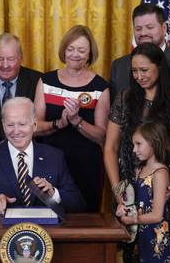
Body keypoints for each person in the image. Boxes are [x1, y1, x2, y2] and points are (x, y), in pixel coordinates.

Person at [104, 42, 170, 262]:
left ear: (159, 67)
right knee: (129, 252)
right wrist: (118, 190)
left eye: (144, 70)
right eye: (134, 71)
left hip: (164, 192)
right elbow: (110, 148)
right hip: (128, 192)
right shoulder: (124, 98)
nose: (139, 76)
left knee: (162, 251)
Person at [0, 97, 86, 215]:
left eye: (22, 124)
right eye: (10, 125)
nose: (16, 131)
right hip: (3, 236)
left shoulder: (54, 156)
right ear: (3, 125)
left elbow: (78, 204)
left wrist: (53, 193)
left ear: (34, 125)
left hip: (47, 236)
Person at [34, 25, 110, 212]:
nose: (75, 54)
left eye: (81, 50)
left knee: (85, 220)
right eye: (71, 49)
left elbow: (102, 136)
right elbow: (34, 127)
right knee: (48, 217)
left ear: (90, 53)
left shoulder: (100, 87)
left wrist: (77, 121)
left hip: (86, 166)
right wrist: (60, 123)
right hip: (49, 164)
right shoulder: (46, 81)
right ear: (64, 50)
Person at [110, 3, 170, 101]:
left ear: (164, 28)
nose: (143, 33)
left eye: (150, 27)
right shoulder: (118, 66)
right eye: (138, 29)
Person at [0, 33, 41, 150]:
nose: (5, 65)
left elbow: (39, 124)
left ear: (20, 58)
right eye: (0, 59)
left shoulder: (37, 82)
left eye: (11, 59)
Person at [117, 122, 170, 263]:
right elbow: (132, 200)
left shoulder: (160, 173)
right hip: (140, 238)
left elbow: (157, 215)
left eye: (138, 144)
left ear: (153, 142)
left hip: (155, 240)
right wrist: (122, 208)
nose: (134, 150)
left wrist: (132, 220)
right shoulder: (139, 169)